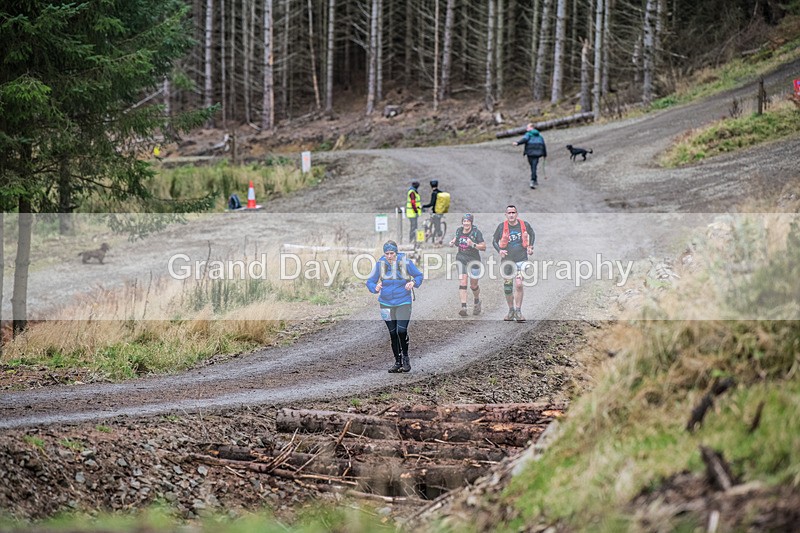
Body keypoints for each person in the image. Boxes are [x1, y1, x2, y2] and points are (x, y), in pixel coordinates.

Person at [366, 241, 424, 373]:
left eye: (392, 253)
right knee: (392, 333)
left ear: (396, 253)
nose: (389, 256)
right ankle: (397, 362)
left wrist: (413, 282)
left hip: (403, 301)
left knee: (401, 331)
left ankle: (405, 358)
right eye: (387, 253)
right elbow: (369, 281)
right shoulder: (380, 265)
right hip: (385, 303)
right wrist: (374, 288)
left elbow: (419, 275)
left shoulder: (406, 263)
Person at [492, 205, 535, 322]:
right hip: (507, 261)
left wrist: (530, 246)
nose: (511, 215)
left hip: (521, 259)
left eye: (513, 212)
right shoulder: (501, 227)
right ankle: (511, 311)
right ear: (506, 215)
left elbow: (532, 234)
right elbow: (494, 240)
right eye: (509, 213)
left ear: (517, 214)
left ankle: (518, 311)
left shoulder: (524, 225)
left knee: (519, 284)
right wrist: (499, 250)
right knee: (508, 287)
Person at [449, 214, 486, 317]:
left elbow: (483, 247)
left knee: (473, 285)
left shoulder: (476, 232)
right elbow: (456, 239)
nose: (465, 223)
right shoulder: (459, 231)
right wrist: (452, 242)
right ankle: (464, 307)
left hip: (474, 260)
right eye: (464, 221)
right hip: (461, 258)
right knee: (463, 281)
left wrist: (473, 244)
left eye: (467, 221)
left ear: (471, 222)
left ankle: (477, 301)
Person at [512, 124, 547, 189]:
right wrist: (545, 154)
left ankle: (533, 180)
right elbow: (543, 145)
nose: (526, 129)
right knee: (534, 166)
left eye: (527, 127)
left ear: (531, 128)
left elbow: (524, 139)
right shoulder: (540, 136)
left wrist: (517, 143)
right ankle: (535, 179)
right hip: (537, 153)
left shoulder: (528, 134)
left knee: (532, 166)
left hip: (530, 153)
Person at [422, 179, 444, 244]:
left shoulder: (434, 193)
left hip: (435, 212)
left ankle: (438, 238)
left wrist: (424, 206)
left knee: (436, 225)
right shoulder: (441, 192)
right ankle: (434, 236)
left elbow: (431, 204)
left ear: (431, 186)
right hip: (441, 212)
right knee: (437, 224)